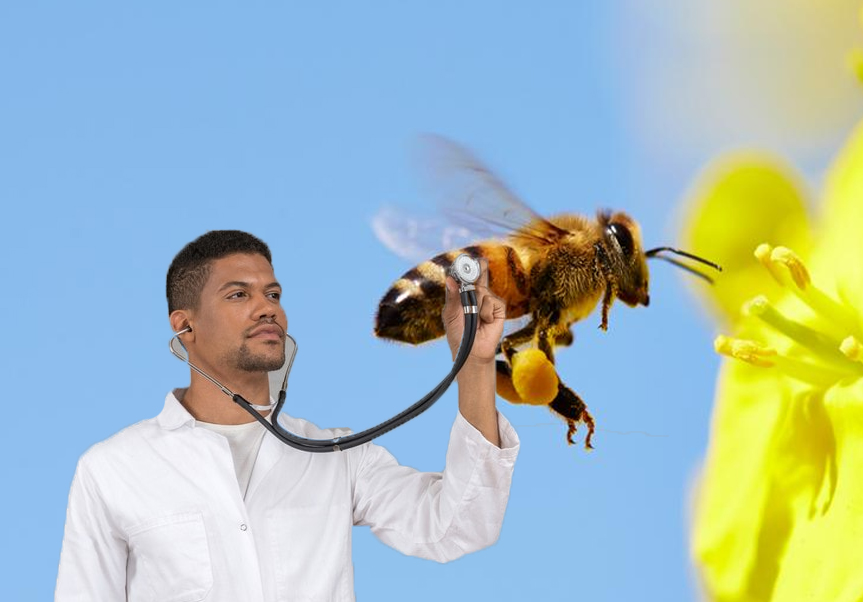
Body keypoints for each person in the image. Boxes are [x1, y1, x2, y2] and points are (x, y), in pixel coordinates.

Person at [55, 230, 519, 601]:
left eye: (273, 293)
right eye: (238, 295)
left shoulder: (339, 456)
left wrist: (476, 364)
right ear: (185, 325)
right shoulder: (113, 470)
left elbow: (461, 526)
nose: (268, 308)